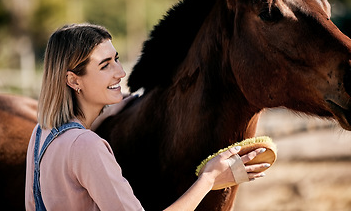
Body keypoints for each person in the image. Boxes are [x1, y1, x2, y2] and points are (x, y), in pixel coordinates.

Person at [25, 23, 269, 211]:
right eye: (105, 65)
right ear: (73, 80)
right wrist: (209, 178)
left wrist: (105, 111)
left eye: (116, 59)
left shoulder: (41, 134)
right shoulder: (88, 147)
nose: (120, 72)